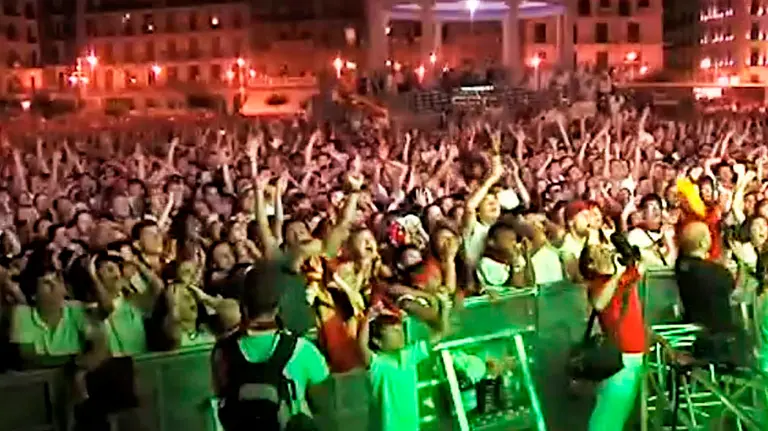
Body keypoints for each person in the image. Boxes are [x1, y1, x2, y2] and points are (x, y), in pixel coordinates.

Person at [211, 261, 330, 431]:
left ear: (243, 304)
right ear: (279, 306)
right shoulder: (302, 350)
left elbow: (222, 401)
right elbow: (324, 408)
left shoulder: (222, 352)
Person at [579, 242, 645, 431]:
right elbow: (599, 303)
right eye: (599, 251)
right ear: (591, 264)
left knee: (619, 412)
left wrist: (629, 255)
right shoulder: (598, 283)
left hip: (635, 353)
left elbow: (643, 265)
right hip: (619, 355)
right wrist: (616, 274)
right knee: (607, 416)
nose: (606, 251)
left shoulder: (624, 276)